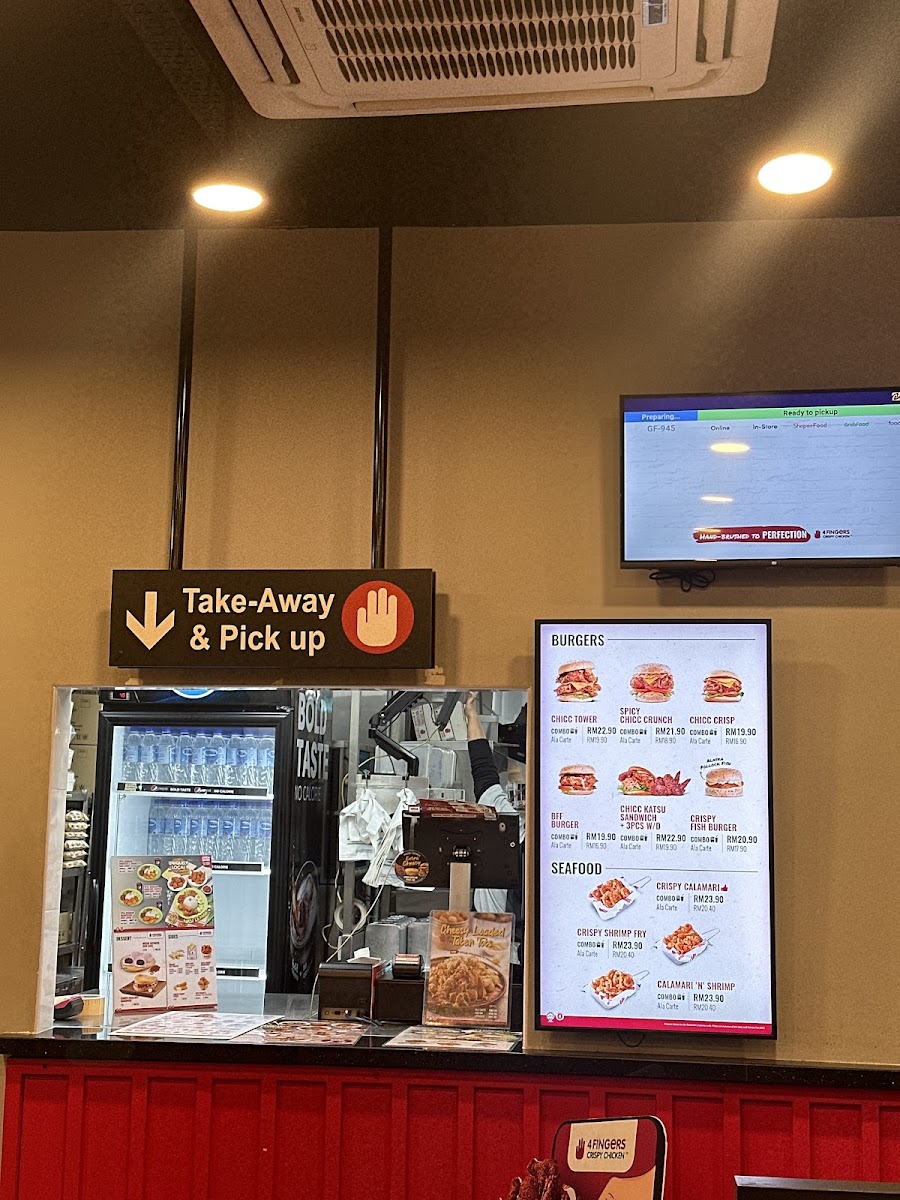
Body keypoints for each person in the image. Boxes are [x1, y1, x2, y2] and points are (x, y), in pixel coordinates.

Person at [464, 691, 524, 920]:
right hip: (492, 932)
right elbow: (483, 769)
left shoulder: (509, 822)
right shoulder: (507, 818)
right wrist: (471, 715)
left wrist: (471, 715)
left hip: (500, 933)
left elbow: (483, 771)